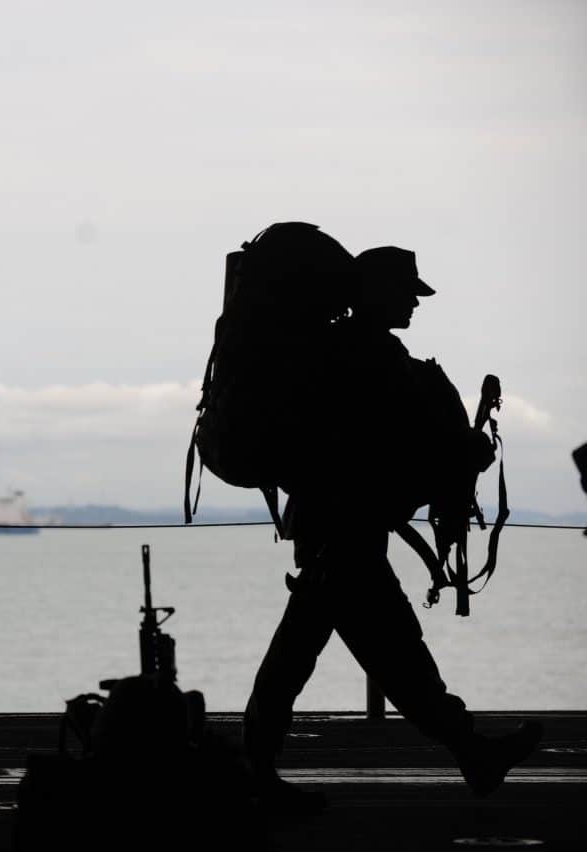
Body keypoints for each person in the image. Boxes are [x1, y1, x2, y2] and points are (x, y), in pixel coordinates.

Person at [242, 244, 543, 811]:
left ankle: (470, 752)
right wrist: (468, 451)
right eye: (407, 292)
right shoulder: (367, 355)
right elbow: (396, 447)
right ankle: (469, 751)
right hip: (344, 533)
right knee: (379, 656)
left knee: (358, 654)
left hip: (338, 530)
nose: (414, 302)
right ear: (376, 293)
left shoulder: (349, 351)